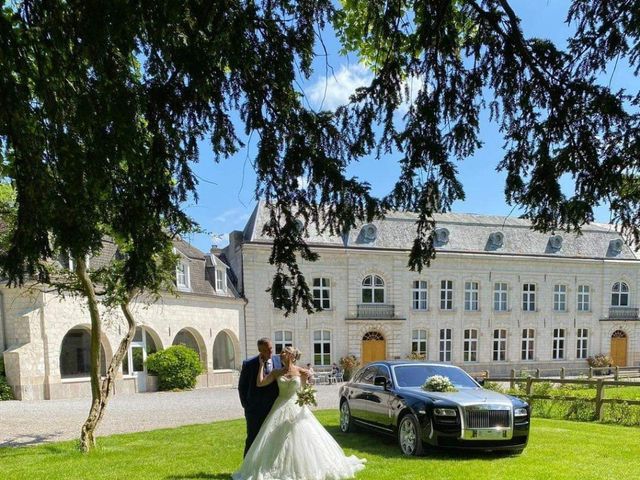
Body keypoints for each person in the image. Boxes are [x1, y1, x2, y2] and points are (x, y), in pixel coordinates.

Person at [233, 346, 366, 480]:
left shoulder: (301, 371)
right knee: (275, 440)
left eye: (284, 352)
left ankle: (302, 467)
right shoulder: (276, 372)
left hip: (297, 407)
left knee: (302, 439)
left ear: (291, 356)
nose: (280, 354)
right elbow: (260, 383)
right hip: (279, 406)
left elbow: (306, 388)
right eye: (281, 352)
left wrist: (309, 386)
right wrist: (261, 366)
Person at [237, 337, 282, 457]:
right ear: (260, 350)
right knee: (253, 438)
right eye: (267, 350)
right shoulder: (249, 364)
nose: (271, 352)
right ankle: (247, 468)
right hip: (255, 410)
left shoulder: (279, 360)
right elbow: (242, 387)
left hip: (275, 408)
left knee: (273, 439)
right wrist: (247, 406)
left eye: (271, 348)